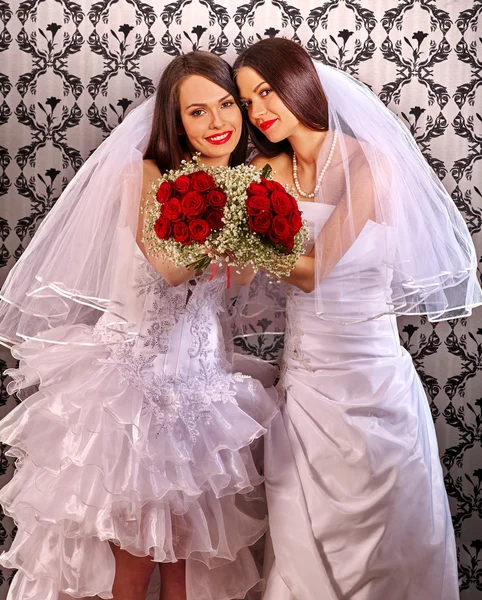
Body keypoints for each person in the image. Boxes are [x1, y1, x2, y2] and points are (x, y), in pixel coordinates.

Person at [0, 51, 277, 600]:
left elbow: (240, 277)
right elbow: (169, 267)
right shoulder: (145, 174)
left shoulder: (243, 182)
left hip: (202, 388)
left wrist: (250, 207)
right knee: (135, 565)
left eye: (227, 105)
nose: (218, 122)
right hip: (135, 391)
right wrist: (226, 206)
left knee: (186, 566)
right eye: (198, 112)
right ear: (176, 121)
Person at [234, 37, 482, 600]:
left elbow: (316, 270)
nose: (259, 112)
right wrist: (224, 241)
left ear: (299, 83)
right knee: (302, 530)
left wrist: (241, 239)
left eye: (266, 92)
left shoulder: (368, 162)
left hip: (370, 375)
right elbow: (243, 278)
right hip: (306, 381)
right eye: (248, 101)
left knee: (388, 533)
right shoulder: (261, 169)